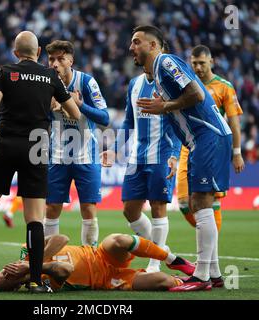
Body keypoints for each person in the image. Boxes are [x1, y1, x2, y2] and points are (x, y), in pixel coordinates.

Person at [0, 31, 81, 293]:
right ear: (39, 52)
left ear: (15, 53)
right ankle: (33, 281)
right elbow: (75, 113)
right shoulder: (51, 76)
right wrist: (57, 106)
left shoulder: (6, 72)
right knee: (34, 219)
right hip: (36, 147)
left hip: (5, 144)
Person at [131, 26, 233, 291]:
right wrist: (164, 108)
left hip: (208, 136)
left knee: (200, 202)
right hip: (202, 139)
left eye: (137, 42)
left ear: (153, 45)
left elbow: (197, 95)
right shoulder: (156, 76)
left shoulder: (166, 62)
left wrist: (164, 106)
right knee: (200, 203)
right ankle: (213, 272)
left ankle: (201, 277)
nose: (131, 47)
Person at [101, 42, 181, 273]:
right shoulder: (135, 84)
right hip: (137, 156)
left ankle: (155, 263)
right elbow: (128, 121)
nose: (132, 48)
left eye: (137, 43)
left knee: (158, 206)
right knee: (130, 210)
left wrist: (175, 155)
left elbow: (178, 121)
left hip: (163, 154)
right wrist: (116, 149)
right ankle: (164, 252)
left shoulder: (169, 83)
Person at [43, 40, 109, 246]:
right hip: (58, 156)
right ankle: (47, 261)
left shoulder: (86, 82)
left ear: (71, 61)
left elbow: (104, 118)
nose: (55, 63)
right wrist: (47, 108)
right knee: (52, 208)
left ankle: (89, 258)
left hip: (86, 155)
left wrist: (79, 104)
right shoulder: (45, 85)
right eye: (52, 59)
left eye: (61, 59)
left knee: (88, 208)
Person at [177, 45, 244, 232]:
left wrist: (236, 153)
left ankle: (209, 252)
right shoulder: (185, 86)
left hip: (212, 147)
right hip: (187, 148)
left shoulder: (224, 87)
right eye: (194, 63)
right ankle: (208, 236)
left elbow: (234, 123)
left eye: (202, 63)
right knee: (184, 203)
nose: (198, 68)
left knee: (209, 199)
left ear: (211, 62)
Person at [0, 233, 196, 292]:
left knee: (118, 240)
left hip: (99, 254)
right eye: (6, 280)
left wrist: (31, 261)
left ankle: (173, 260)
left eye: (2, 273)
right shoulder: (37, 284)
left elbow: (61, 238)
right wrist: (31, 269)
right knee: (163, 282)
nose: (6, 274)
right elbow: (65, 269)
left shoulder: (26, 251)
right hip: (106, 279)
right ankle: (185, 280)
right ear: (14, 286)